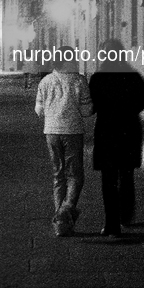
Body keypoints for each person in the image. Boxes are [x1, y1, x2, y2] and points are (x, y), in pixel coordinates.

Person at [89, 39, 144, 238]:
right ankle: (126, 214)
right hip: (129, 129)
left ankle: (112, 224)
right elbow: (143, 101)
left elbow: (93, 106)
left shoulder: (98, 78)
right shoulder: (134, 76)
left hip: (107, 130)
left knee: (109, 179)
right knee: (127, 173)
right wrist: (128, 112)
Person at [35, 47, 94, 236]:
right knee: (75, 175)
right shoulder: (79, 81)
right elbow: (86, 112)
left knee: (58, 175)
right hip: (72, 132)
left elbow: (39, 110)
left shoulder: (45, 82)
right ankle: (65, 212)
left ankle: (60, 221)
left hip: (51, 132)